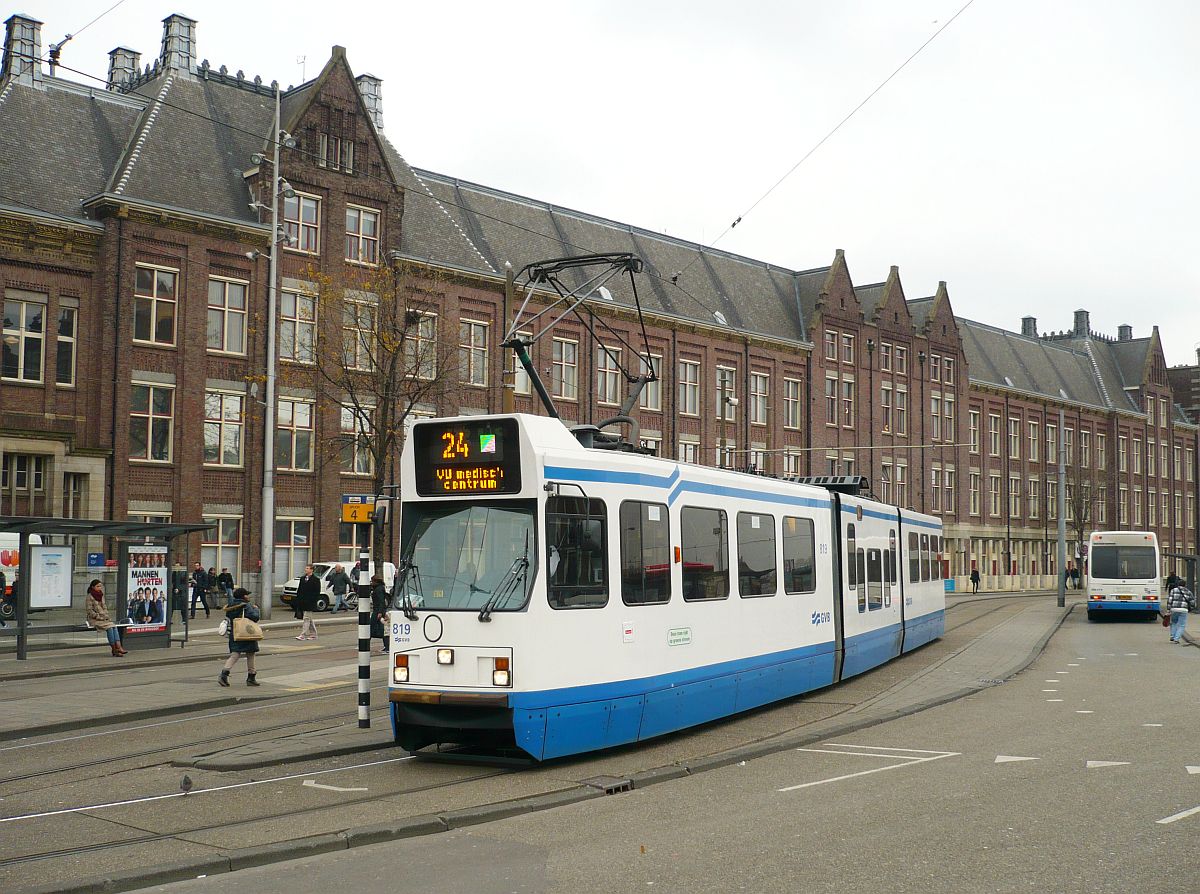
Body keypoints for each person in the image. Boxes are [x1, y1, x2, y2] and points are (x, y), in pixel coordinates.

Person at [218, 587, 262, 686]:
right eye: (247, 595)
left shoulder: (230, 605)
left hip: (235, 633)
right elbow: (255, 617)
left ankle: (224, 674)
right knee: (250, 654)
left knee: (235, 654)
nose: (248, 596)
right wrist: (256, 609)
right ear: (243, 596)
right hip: (246, 633)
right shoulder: (246, 606)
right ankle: (251, 677)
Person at [85, 579, 126, 657]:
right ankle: (115, 649)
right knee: (110, 627)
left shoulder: (101, 595)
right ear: (93, 587)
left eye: (100, 586)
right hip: (95, 619)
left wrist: (106, 616)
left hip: (104, 619)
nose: (99, 588)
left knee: (114, 627)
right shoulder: (89, 597)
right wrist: (99, 617)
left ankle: (118, 647)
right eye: (97, 586)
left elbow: (104, 607)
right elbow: (89, 611)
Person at [1165, 576, 1195, 644]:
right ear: (1185, 585)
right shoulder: (1188, 592)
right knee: (1181, 625)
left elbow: (1169, 600)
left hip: (1174, 609)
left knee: (1174, 622)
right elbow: (1192, 602)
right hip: (1183, 610)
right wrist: (1190, 609)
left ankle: (1172, 636)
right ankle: (1176, 639)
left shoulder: (1173, 590)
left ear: (1178, 584)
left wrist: (1168, 610)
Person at [294, 564, 321, 640]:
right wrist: (298, 600)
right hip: (303, 602)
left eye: (307, 568)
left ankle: (303, 635)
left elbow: (317, 592)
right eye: (305, 568)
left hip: (310, 603)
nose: (306, 569)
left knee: (306, 618)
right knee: (309, 619)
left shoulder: (316, 580)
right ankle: (314, 635)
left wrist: (312, 600)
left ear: (311, 570)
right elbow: (299, 590)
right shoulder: (302, 579)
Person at [370, 574, 389, 653]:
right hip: (378, 611)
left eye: (372, 581)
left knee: (372, 627)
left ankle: (387, 647)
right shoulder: (378, 588)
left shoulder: (379, 589)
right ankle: (387, 646)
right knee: (381, 629)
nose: (371, 582)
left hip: (378, 611)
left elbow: (381, 601)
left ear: (375, 581)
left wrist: (380, 612)